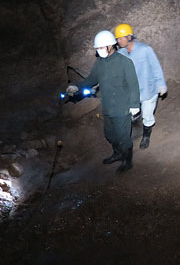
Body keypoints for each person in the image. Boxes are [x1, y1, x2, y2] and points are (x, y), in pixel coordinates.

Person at [66, 30, 140, 173]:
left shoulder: (125, 62)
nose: (99, 50)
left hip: (122, 107)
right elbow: (91, 80)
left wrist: (134, 105)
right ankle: (117, 154)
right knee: (110, 134)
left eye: (101, 47)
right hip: (107, 106)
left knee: (123, 137)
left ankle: (127, 160)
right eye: (97, 48)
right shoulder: (99, 63)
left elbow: (133, 85)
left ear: (111, 46)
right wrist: (77, 86)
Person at [114, 23, 167, 149]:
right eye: (117, 39)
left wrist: (161, 84)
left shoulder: (145, 49)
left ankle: (146, 136)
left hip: (148, 90)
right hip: (132, 92)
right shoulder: (121, 54)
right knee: (130, 114)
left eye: (121, 38)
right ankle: (136, 127)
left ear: (129, 37)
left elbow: (156, 67)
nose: (119, 41)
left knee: (147, 115)